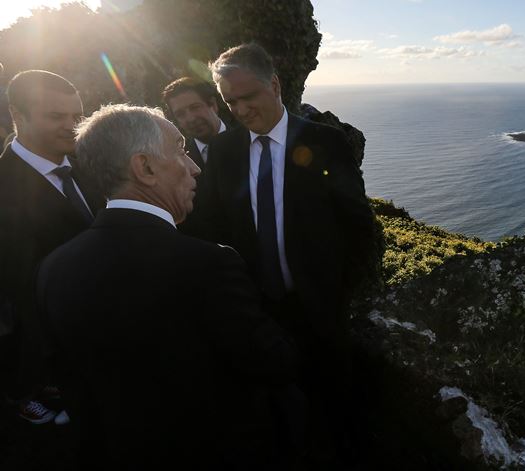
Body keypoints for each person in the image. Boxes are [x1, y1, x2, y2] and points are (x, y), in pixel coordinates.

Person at [36, 104, 300, 470]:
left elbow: (71, 381)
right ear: (144, 168)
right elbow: (272, 361)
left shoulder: (54, 268)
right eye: (180, 149)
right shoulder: (209, 264)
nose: (194, 167)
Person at [190, 42, 378, 462]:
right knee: (277, 418)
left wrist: (338, 293)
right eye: (229, 101)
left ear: (274, 85)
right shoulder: (223, 153)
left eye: (248, 96)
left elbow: (358, 225)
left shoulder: (327, 142)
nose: (239, 110)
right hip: (258, 313)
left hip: (321, 310)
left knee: (337, 413)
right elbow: (212, 229)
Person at [0, 70, 103, 424]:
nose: (72, 126)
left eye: (77, 116)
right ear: (18, 116)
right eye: (56, 117)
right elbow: (18, 288)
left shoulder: (88, 163)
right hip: (55, 342)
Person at [161, 77, 229, 172]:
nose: (190, 119)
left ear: (213, 105)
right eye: (180, 114)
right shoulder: (180, 159)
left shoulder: (250, 138)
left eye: (195, 107)